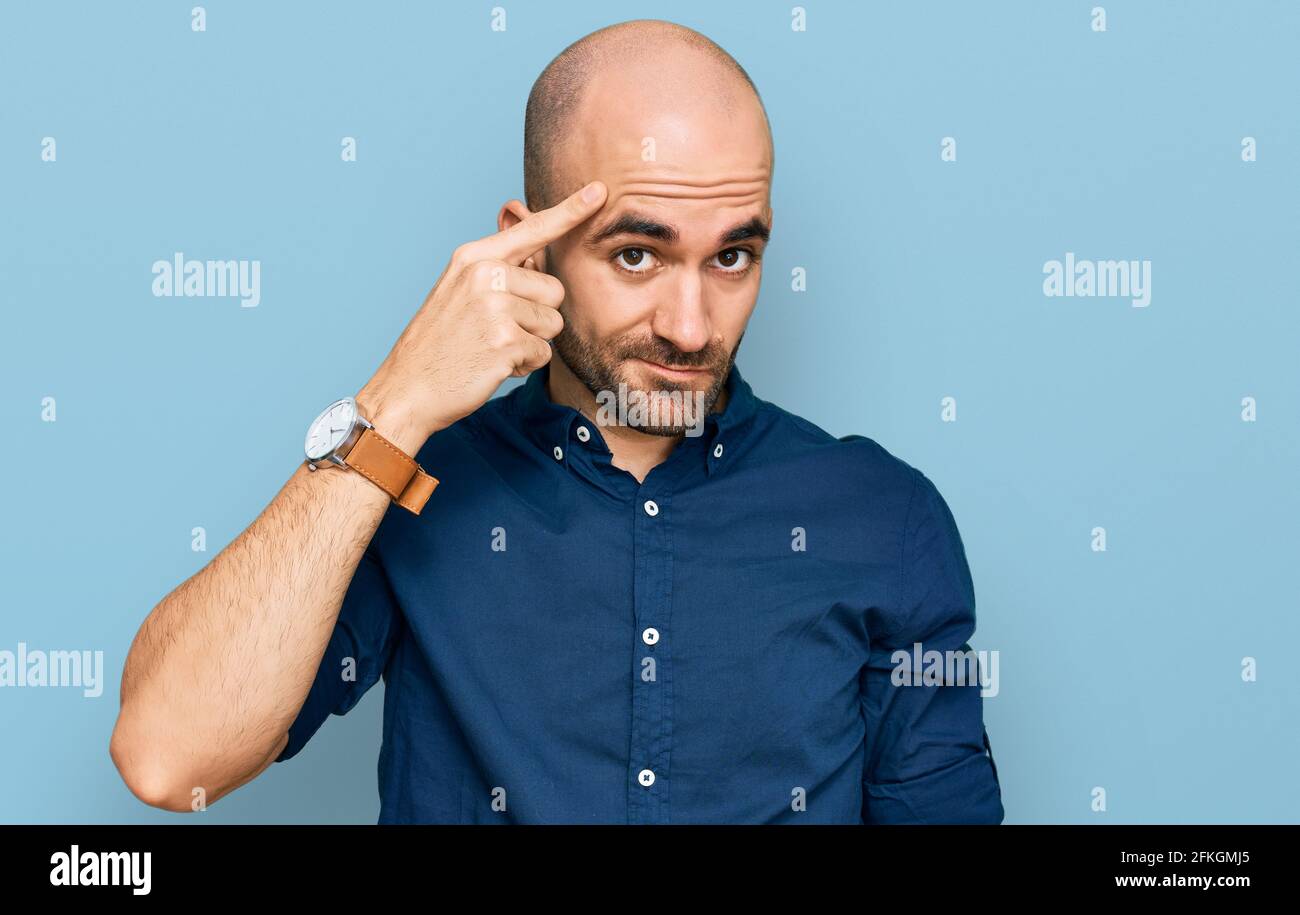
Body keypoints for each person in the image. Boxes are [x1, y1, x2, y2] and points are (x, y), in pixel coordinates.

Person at [110, 18, 1004, 824]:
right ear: (528, 246)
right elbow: (167, 757)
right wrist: (396, 400)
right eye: (637, 254)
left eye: (732, 255)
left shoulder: (885, 518)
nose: (692, 327)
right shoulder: (410, 484)